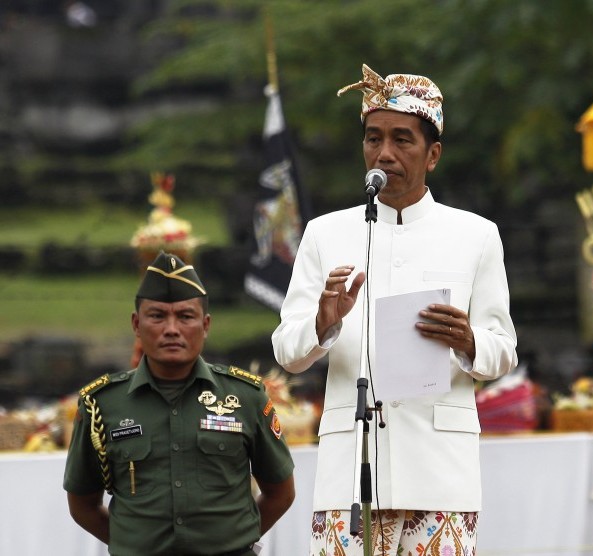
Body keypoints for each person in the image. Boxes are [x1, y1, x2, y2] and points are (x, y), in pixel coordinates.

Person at [272, 64, 518, 555]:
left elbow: (503, 351)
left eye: (402, 139)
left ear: (434, 155)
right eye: (373, 138)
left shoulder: (476, 235)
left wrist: (469, 341)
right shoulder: (326, 233)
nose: (384, 154)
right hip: (350, 468)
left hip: (442, 469)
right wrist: (325, 322)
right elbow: (286, 350)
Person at [64, 251, 295, 556]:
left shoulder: (245, 397)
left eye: (185, 316)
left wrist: (234, 542)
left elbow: (280, 492)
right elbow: (82, 504)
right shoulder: (102, 405)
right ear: (136, 324)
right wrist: (133, 542)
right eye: (157, 316)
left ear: (206, 324)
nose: (171, 328)